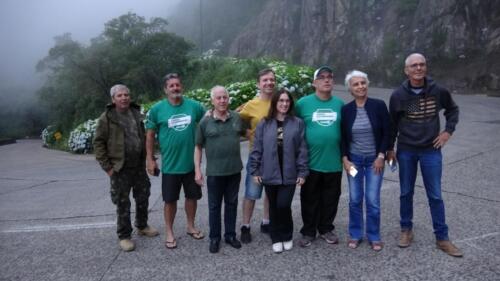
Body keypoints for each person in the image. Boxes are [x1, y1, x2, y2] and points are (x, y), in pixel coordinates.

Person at [386, 53, 463, 257]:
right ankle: (406, 230)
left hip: (431, 150)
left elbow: (452, 110)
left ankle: (442, 238)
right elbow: (394, 122)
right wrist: (390, 149)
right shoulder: (399, 95)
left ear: (425, 67)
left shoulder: (437, 91)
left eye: (422, 64)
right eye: (414, 65)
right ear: (406, 70)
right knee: (405, 192)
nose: (418, 68)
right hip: (406, 150)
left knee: (435, 195)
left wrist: (447, 132)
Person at [94, 84, 159, 252]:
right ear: (113, 99)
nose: (124, 98)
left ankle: (142, 225)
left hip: (138, 166)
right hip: (119, 168)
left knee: (143, 196)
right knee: (123, 203)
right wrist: (107, 167)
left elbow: (145, 137)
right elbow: (98, 143)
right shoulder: (106, 118)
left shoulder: (136, 113)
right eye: (120, 95)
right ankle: (124, 236)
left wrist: (150, 158)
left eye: (126, 95)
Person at [145, 73, 206, 249]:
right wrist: (150, 159)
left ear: (182, 87)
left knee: (192, 197)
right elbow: (149, 135)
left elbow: (207, 123)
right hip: (170, 166)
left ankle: (190, 226)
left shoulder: (195, 106)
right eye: (171, 86)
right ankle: (170, 232)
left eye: (177, 85)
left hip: (191, 164)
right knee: (170, 200)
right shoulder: (157, 110)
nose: (175, 88)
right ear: (165, 90)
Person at [249, 89, 308, 253]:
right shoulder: (264, 123)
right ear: (275, 102)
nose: (284, 104)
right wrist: (255, 170)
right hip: (269, 172)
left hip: (290, 173)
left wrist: (302, 172)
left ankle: (287, 234)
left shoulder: (297, 123)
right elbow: (257, 148)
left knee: (283, 205)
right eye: (281, 100)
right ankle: (276, 237)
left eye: (287, 101)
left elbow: (302, 150)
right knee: (273, 206)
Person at [341, 70, 390, 251]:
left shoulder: (378, 105)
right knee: (354, 199)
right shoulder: (346, 110)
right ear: (350, 89)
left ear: (367, 84)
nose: (360, 86)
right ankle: (355, 234)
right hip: (354, 162)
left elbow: (387, 132)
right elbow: (343, 138)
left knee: (372, 200)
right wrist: (345, 159)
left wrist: (381, 155)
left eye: (363, 83)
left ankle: (374, 235)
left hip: (373, 162)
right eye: (356, 84)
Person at [296, 66, 344, 247]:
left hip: (334, 162)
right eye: (322, 77)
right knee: (309, 198)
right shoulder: (303, 103)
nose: (326, 80)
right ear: (314, 82)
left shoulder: (340, 104)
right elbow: (291, 124)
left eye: (330, 77)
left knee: (331, 198)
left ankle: (325, 228)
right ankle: (308, 231)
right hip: (310, 163)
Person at [194, 86, 246, 253]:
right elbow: (198, 147)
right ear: (212, 101)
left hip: (234, 171)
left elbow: (250, 130)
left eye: (225, 97)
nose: (222, 100)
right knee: (214, 207)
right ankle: (214, 238)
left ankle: (230, 235)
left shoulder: (237, 118)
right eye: (219, 98)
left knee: (232, 204)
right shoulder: (205, 121)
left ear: (228, 99)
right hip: (215, 173)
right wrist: (197, 170)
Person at [237, 68, 275, 243]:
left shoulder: (279, 101)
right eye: (265, 80)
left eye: (271, 80)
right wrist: (247, 133)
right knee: (252, 193)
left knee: (271, 192)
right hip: (257, 157)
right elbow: (234, 119)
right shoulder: (251, 105)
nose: (269, 83)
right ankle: (245, 226)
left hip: (276, 156)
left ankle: (266, 222)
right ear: (259, 84)